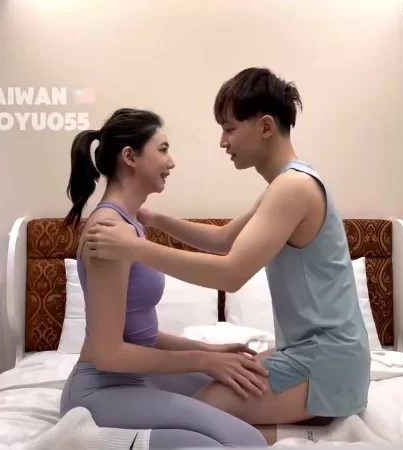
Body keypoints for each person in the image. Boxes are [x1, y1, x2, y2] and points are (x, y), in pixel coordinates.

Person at [83, 68, 373, 445]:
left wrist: (136, 247)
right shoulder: (288, 183)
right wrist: (156, 219)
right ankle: (294, 430)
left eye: (230, 128)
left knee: (200, 413)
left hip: (328, 362)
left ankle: (299, 434)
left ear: (265, 126)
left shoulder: (293, 188)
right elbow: (223, 240)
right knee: (228, 377)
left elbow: (231, 273)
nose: (223, 141)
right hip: (322, 354)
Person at [60, 107, 270, 449]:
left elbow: (140, 334)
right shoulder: (108, 231)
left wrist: (209, 351)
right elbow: (107, 353)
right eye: (163, 149)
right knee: (245, 443)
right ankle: (81, 438)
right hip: (102, 390)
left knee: (242, 407)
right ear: (130, 157)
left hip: (138, 378)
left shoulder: (129, 226)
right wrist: (203, 360)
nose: (171, 162)